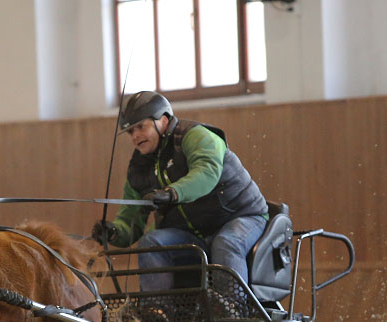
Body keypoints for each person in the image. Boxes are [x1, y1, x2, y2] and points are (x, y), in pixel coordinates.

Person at [92, 91, 269, 292]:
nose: (135, 136)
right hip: (194, 234)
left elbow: (206, 173)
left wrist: (172, 193)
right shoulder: (138, 168)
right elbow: (131, 219)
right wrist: (114, 232)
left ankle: (232, 312)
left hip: (243, 216)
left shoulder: (196, 136)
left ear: (164, 121)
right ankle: (158, 313)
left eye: (141, 126)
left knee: (226, 242)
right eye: (131, 132)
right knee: (152, 242)